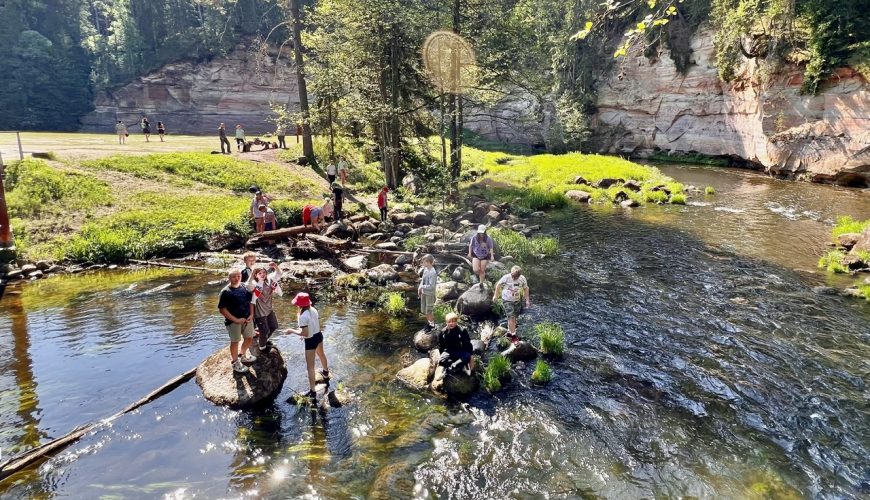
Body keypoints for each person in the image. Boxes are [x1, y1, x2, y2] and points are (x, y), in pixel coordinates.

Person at [286, 292, 330, 402]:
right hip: (319, 335)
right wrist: (304, 333)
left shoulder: (303, 316)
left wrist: (291, 331)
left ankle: (312, 391)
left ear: (299, 304)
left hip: (311, 341)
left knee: (310, 366)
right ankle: (325, 373)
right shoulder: (313, 310)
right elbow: (312, 325)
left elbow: (305, 333)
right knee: (321, 354)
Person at [218, 269, 256, 373]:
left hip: (247, 318)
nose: (237, 278)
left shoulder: (244, 287)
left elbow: (251, 302)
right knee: (235, 342)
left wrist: (252, 314)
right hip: (233, 321)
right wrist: (236, 320)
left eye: (238, 276)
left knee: (249, 338)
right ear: (229, 278)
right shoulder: (226, 292)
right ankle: (235, 363)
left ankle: (242, 355)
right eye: (233, 276)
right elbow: (222, 309)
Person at [246, 262, 282, 352]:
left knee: (274, 326)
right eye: (259, 273)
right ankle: (262, 347)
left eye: (264, 273)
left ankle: (263, 340)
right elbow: (248, 286)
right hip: (259, 311)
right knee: (265, 330)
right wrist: (252, 273)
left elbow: (279, 274)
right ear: (256, 275)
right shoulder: (255, 284)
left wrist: (275, 266)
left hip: (269, 309)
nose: (262, 275)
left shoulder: (270, 280)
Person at [492, 265, 530, 343]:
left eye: (515, 277)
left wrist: (527, 301)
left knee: (515, 317)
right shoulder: (506, 277)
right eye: (513, 276)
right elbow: (498, 285)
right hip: (507, 300)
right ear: (511, 273)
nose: (513, 278)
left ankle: (509, 332)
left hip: (517, 300)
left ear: (519, 275)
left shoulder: (522, 279)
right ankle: (514, 336)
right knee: (511, 317)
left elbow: (526, 288)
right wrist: (495, 295)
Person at [437, 313, 474, 377]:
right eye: (449, 322)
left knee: (467, 356)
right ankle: (458, 365)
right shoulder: (443, 332)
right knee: (440, 361)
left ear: (456, 322)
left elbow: (468, 343)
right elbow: (441, 345)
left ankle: (450, 368)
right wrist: (442, 356)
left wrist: (471, 356)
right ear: (446, 322)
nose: (451, 323)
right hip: (449, 351)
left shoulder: (462, 330)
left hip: (460, 351)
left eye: (453, 321)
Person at [418, 254, 437, 332]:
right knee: (425, 309)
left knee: (429, 310)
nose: (422, 263)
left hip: (429, 294)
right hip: (424, 292)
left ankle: (432, 325)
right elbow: (423, 280)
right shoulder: (425, 269)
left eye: (424, 262)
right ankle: (429, 323)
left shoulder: (433, 273)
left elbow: (432, 286)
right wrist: (420, 287)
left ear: (429, 262)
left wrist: (422, 287)